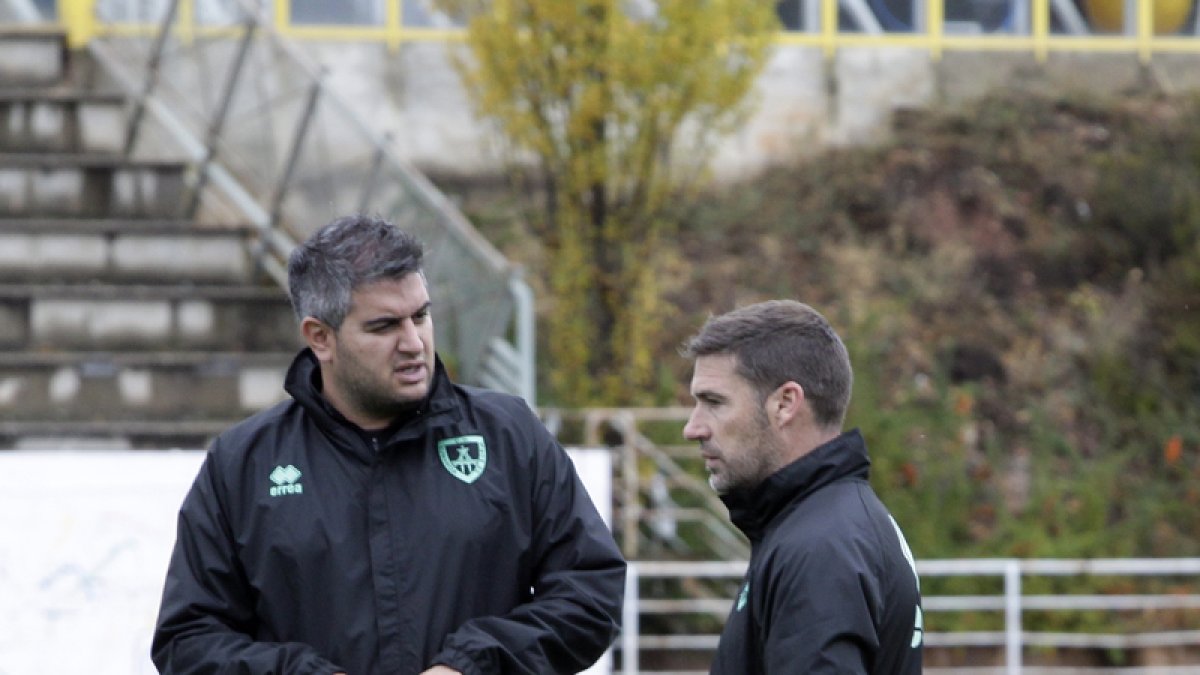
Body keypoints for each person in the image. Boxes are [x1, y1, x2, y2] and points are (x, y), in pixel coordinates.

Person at [152, 214, 626, 675]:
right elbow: (187, 639)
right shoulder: (243, 464)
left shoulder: (509, 436)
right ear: (321, 338)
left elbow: (590, 593)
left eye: (420, 316)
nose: (414, 343)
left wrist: (473, 665)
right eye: (384, 326)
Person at [680, 300, 922, 674]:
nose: (692, 428)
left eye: (714, 402)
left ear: (785, 403)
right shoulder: (826, 524)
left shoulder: (822, 546)